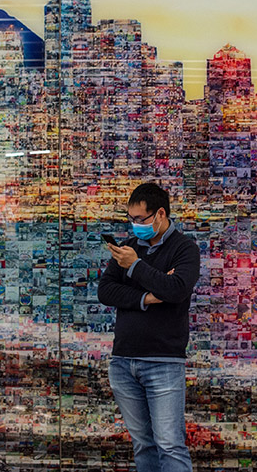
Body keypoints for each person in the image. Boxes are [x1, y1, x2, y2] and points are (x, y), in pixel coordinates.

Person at [97, 182, 201, 472]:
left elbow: (177, 289)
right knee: (143, 444)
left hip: (163, 361)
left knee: (170, 444)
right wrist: (148, 296)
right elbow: (106, 291)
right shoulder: (128, 248)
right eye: (130, 219)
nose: (135, 226)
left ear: (160, 215)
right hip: (124, 360)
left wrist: (135, 267)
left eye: (140, 220)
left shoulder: (185, 249)